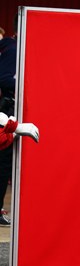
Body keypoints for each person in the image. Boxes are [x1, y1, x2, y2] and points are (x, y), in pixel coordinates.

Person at [0, 26, 18, 226]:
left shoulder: (8, 48)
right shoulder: (12, 49)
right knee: (4, 162)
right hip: (6, 112)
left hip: (6, 111)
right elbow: (5, 78)